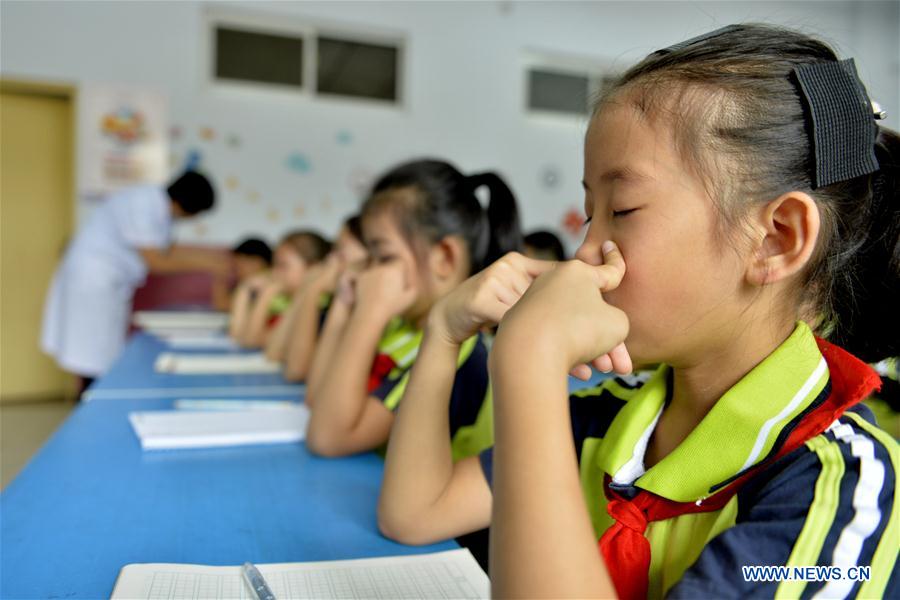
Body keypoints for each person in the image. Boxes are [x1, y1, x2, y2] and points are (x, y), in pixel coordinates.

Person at [383, 24, 899, 599]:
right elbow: (415, 512)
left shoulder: (845, 487)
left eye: (622, 210)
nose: (584, 252)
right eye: (588, 212)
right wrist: (442, 332)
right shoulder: (610, 418)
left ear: (776, 239)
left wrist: (528, 359)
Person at [304, 159, 522, 459]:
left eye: (383, 257)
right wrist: (343, 305)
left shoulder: (456, 349)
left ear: (443, 257)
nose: (367, 273)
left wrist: (369, 313)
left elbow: (327, 438)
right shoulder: (400, 328)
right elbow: (318, 399)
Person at [41, 170, 225, 391]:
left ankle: (92, 399)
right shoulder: (144, 203)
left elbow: (167, 250)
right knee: (92, 354)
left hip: (108, 283)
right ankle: (90, 404)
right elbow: (156, 261)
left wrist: (211, 259)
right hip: (94, 279)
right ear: (188, 205)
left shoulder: (161, 210)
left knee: (99, 352)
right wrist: (209, 264)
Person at [266, 216, 368, 381]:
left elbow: (296, 370)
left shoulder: (338, 306)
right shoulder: (331, 303)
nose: (330, 260)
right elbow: (274, 353)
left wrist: (311, 291)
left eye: (340, 251)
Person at [228, 230, 330, 348]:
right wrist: (244, 290)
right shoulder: (284, 300)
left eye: (283, 265)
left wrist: (267, 294)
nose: (274, 273)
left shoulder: (318, 307)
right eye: (274, 264)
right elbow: (237, 335)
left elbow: (251, 340)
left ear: (313, 269)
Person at [211, 238, 272, 311]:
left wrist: (220, 277)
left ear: (261, 263)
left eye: (242, 264)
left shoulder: (266, 286)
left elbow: (223, 305)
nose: (238, 270)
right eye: (236, 265)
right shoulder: (245, 285)